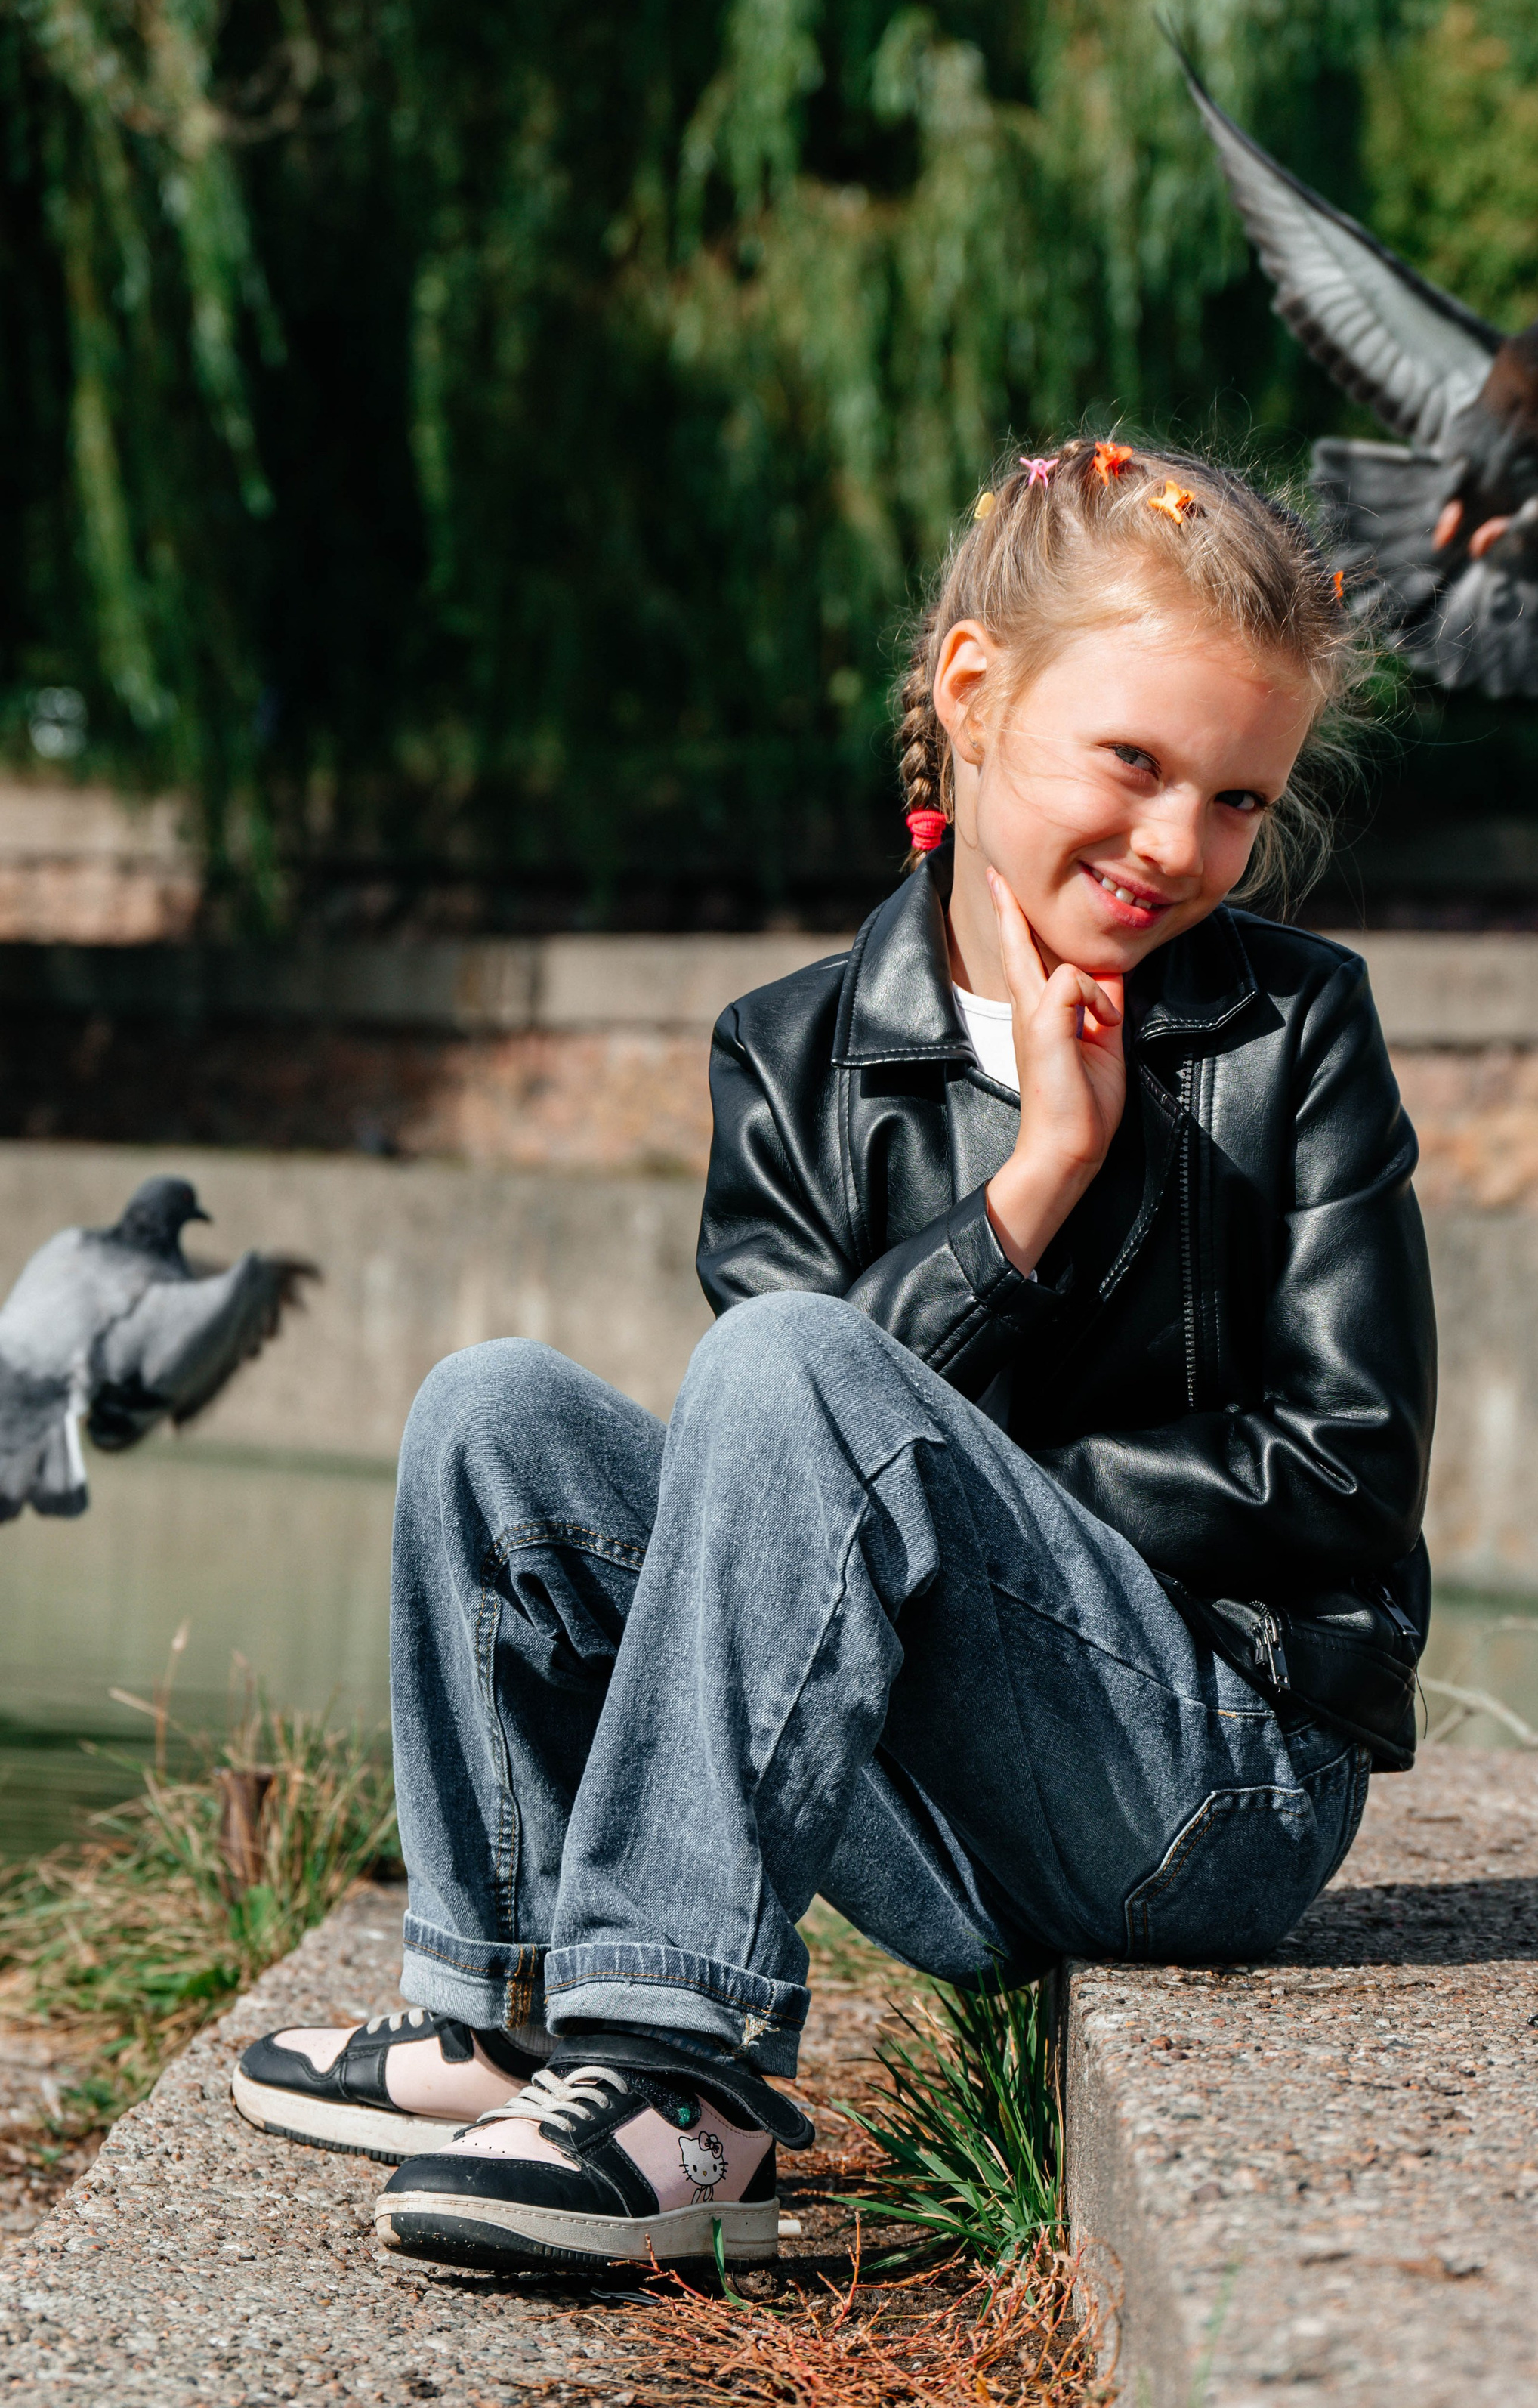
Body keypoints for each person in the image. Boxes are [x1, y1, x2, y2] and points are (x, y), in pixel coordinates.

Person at [231, 439, 1437, 2276]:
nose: (1177, 847)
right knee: (498, 1421)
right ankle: (508, 2009)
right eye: (1134, 764)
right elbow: (767, 1482)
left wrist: (981, 1502)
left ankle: (683, 2072)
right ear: (972, 691)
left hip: (1204, 1786)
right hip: (935, 1786)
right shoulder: (793, 1053)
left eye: (1235, 800)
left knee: (803, 1373)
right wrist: (1029, 1192)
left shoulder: (1290, 1026)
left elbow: (1344, 1471)